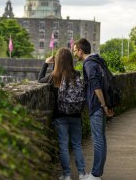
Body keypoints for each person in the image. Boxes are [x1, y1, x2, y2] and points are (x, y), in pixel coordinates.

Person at [38, 48, 87, 180]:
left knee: (64, 146)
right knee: (77, 145)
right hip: (76, 115)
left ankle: (66, 175)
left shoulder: (54, 77)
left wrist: (46, 63)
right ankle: (82, 174)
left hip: (60, 116)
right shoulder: (76, 74)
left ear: (57, 61)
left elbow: (40, 80)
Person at [73, 38, 112, 180]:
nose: (74, 53)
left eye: (75, 50)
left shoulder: (89, 64)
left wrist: (104, 105)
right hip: (99, 106)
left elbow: (96, 87)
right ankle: (97, 172)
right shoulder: (97, 60)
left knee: (98, 140)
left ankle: (96, 174)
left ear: (80, 51)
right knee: (101, 139)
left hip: (96, 106)